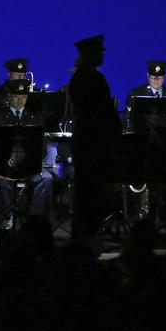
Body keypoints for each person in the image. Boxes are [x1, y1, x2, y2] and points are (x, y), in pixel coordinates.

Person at [68, 34, 122, 241]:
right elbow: (97, 111)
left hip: (94, 143)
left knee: (93, 196)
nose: (102, 55)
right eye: (98, 52)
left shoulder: (90, 76)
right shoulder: (85, 78)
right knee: (88, 197)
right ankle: (83, 240)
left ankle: (86, 238)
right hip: (91, 143)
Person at [0, 78, 53, 229]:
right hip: (4, 165)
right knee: (1, 179)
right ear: (9, 96)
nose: (20, 100)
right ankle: (7, 218)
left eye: (23, 96)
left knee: (47, 179)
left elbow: (41, 149)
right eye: (16, 96)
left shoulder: (35, 117)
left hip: (30, 166)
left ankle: (34, 221)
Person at [123, 61, 166, 131]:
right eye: (153, 77)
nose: (156, 81)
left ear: (165, 76)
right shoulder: (136, 94)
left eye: (159, 77)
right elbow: (127, 117)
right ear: (148, 76)